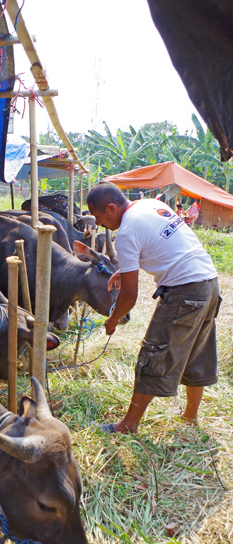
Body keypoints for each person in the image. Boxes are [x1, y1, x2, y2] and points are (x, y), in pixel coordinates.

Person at [87, 182, 220, 434]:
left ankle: (128, 425)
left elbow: (129, 294)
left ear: (112, 208)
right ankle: (190, 416)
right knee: (196, 351)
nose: (99, 223)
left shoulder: (126, 231)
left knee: (153, 354)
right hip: (209, 284)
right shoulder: (153, 205)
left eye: (98, 216)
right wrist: (121, 270)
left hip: (185, 291)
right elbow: (163, 247)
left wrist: (113, 319)